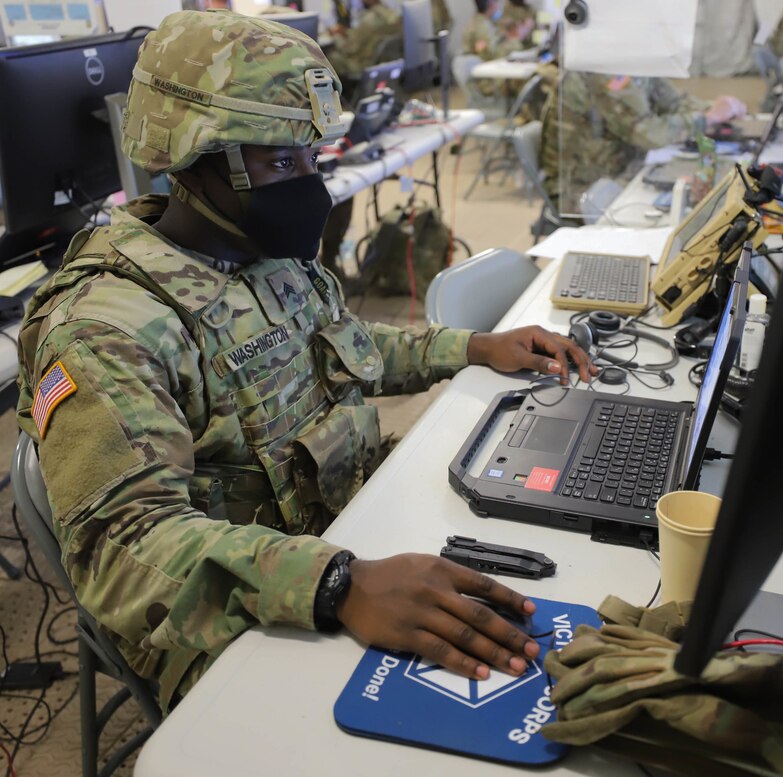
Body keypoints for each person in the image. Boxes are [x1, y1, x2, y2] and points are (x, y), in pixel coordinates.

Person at [16, 9, 595, 714]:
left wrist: (469, 348)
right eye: (282, 160)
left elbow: (342, 342)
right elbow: (122, 548)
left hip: (350, 536)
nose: (309, 182)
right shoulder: (106, 328)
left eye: (313, 157)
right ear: (197, 156)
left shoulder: (260, 252)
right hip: (238, 615)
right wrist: (335, 584)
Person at [538, 64, 747, 214]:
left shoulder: (635, 59)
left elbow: (673, 102)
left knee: (701, 197)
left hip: (622, 172)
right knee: (688, 216)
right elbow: (647, 134)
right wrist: (707, 118)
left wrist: (715, 109)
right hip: (584, 191)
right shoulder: (602, 69)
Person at [325, 0, 403, 82]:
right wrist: (346, 32)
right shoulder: (392, 16)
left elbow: (349, 49)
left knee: (329, 57)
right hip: (380, 64)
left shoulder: (369, 19)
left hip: (361, 65)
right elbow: (367, 35)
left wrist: (336, 36)